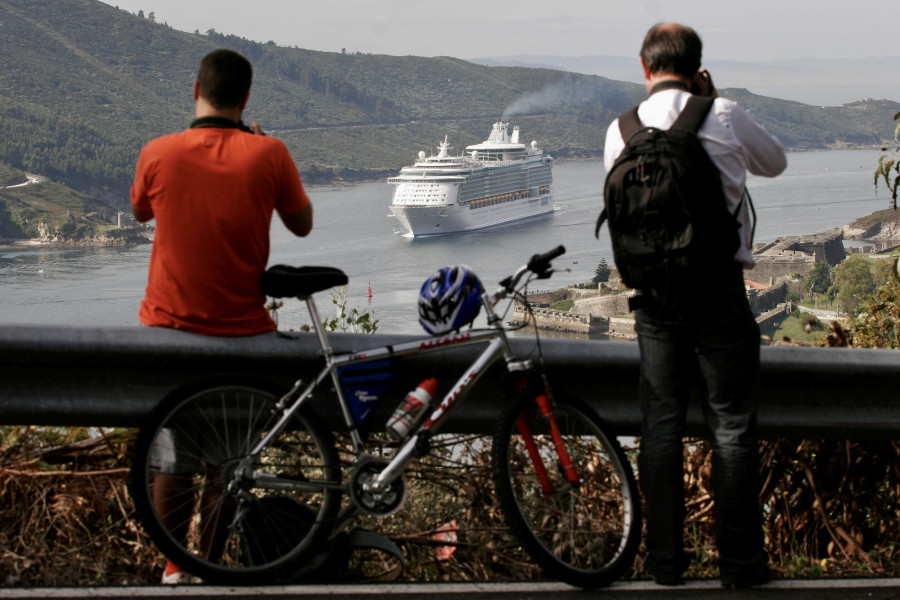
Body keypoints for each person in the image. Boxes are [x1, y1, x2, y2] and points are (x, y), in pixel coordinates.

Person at [602, 23, 786, 589]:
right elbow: (774, 163)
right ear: (698, 64)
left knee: (660, 427)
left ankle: (665, 566)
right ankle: (741, 567)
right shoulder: (722, 114)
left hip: (652, 301)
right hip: (718, 294)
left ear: (643, 67)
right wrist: (710, 101)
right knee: (731, 426)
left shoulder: (620, 129)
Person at [131, 48, 314, 584]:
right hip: (242, 334)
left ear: (195, 90)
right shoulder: (270, 153)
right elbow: (301, 225)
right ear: (246, 98)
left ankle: (173, 569)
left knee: (173, 457)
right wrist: (259, 150)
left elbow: (141, 209)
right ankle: (207, 567)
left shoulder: (158, 152)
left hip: (168, 331)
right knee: (228, 465)